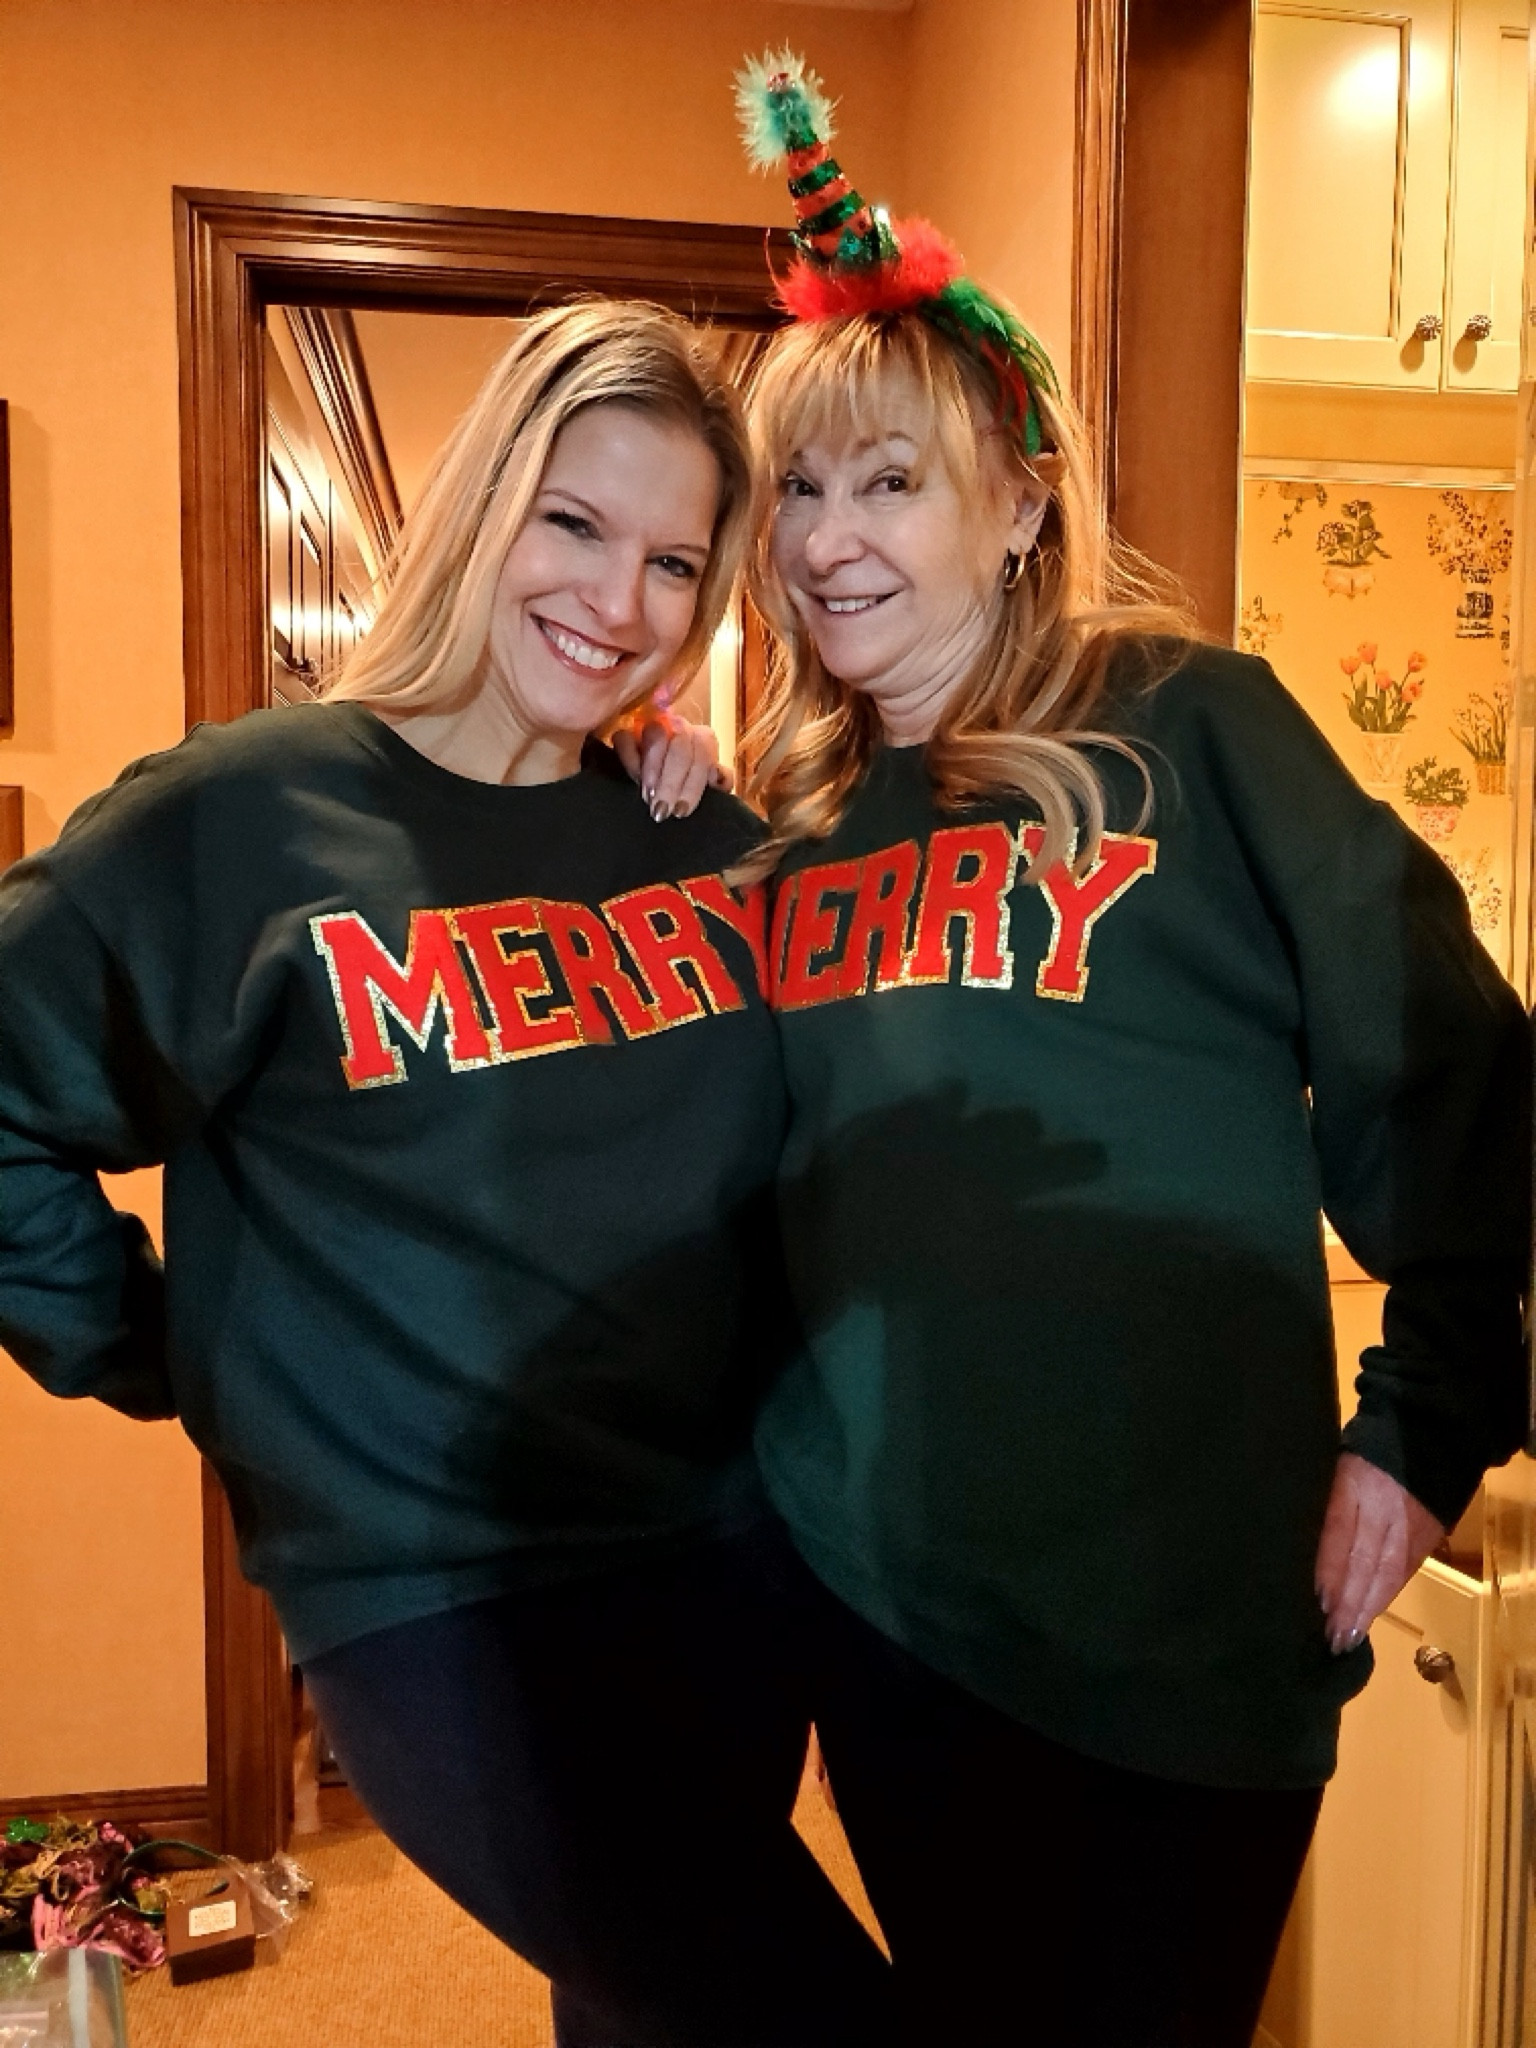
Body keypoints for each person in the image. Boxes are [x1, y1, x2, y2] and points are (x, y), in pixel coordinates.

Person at [717, 53, 1532, 2048]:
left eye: (887, 478)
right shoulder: (777, 826)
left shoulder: (1197, 728)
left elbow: (1457, 1057)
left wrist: (1429, 1420)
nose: (828, 537)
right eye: (797, 487)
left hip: (1189, 1623)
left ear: (1019, 502)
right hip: (894, 1626)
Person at [0, 299, 893, 2048]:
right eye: (572, 525)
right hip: (448, 1601)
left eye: (669, 562)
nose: (613, 602)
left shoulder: (691, 832)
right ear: (483, 501)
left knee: (642, 2011)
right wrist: (177, 1352)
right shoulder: (251, 814)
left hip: (725, 1561)